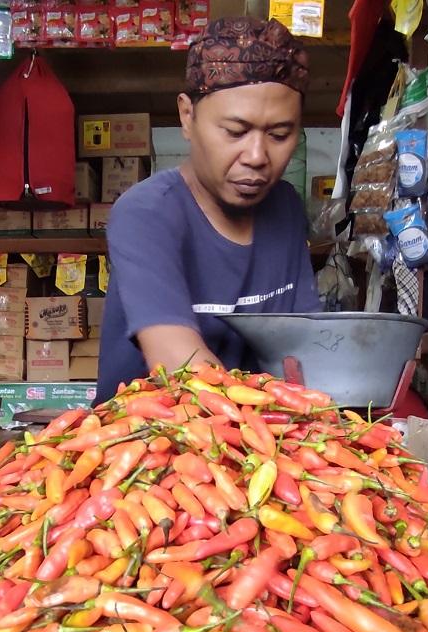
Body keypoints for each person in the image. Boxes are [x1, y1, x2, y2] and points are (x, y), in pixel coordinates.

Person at [95, 16, 322, 401]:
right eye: (235, 132)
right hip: (148, 433)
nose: (257, 156)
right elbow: (185, 369)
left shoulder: (285, 208)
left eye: (279, 135)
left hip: (261, 431)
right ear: (188, 116)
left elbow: (305, 351)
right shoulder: (146, 214)